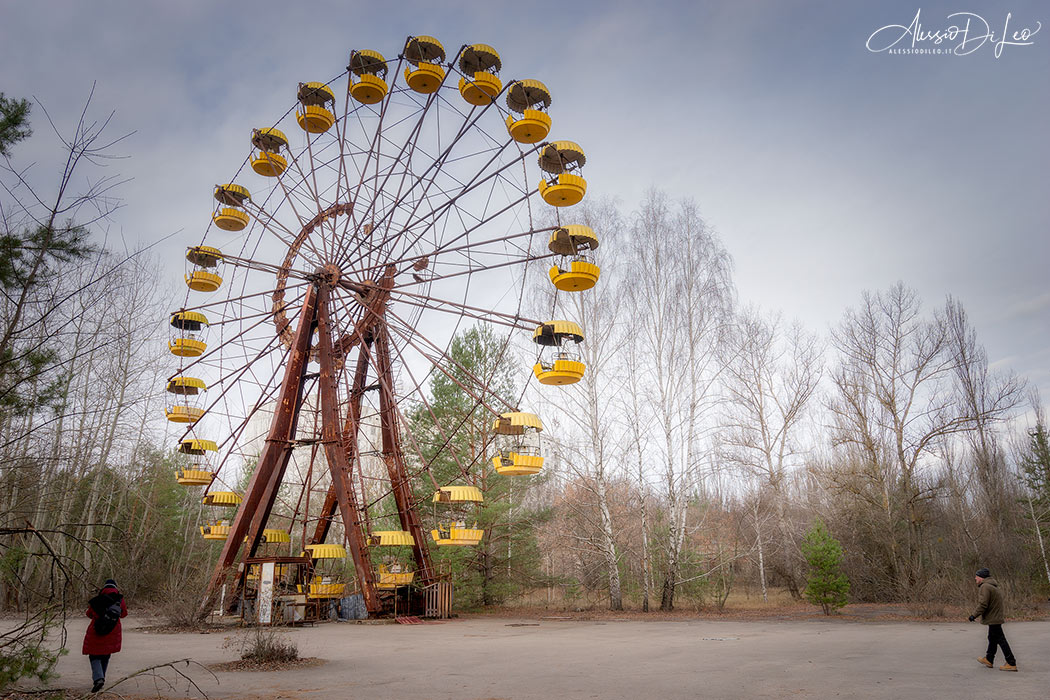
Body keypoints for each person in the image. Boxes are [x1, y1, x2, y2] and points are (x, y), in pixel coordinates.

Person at [82, 578, 128, 692]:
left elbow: (89, 614)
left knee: (94, 655)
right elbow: (124, 614)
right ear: (115, 587)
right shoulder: (119, 599)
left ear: (104, 587)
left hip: (96, 629)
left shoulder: (97, 599)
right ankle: (101, 678)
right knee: (106, 654)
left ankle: (99, 679)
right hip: (113, 630)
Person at [968, 567, 1017, 672]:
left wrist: (974, 615)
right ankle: (989, 659)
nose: (975, 578)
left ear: (981, 577)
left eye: (976, 576)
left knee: (1000, 639)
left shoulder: (985, 587)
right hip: (995, 617)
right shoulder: (992, 586)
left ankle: (1011, 662)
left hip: (993, 618)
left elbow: (983, 604)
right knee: (992, 638)